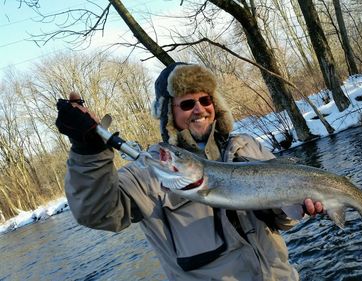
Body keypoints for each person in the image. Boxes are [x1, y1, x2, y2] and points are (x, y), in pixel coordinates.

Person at [55, 62, 323, 281]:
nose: (199, 109)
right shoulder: (148, 173)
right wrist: (87, 151)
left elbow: (282, 220)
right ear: (168, 113)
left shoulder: (247, 147)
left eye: (205, 99)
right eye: (186, 104)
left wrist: (296, 208)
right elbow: (97, 213)